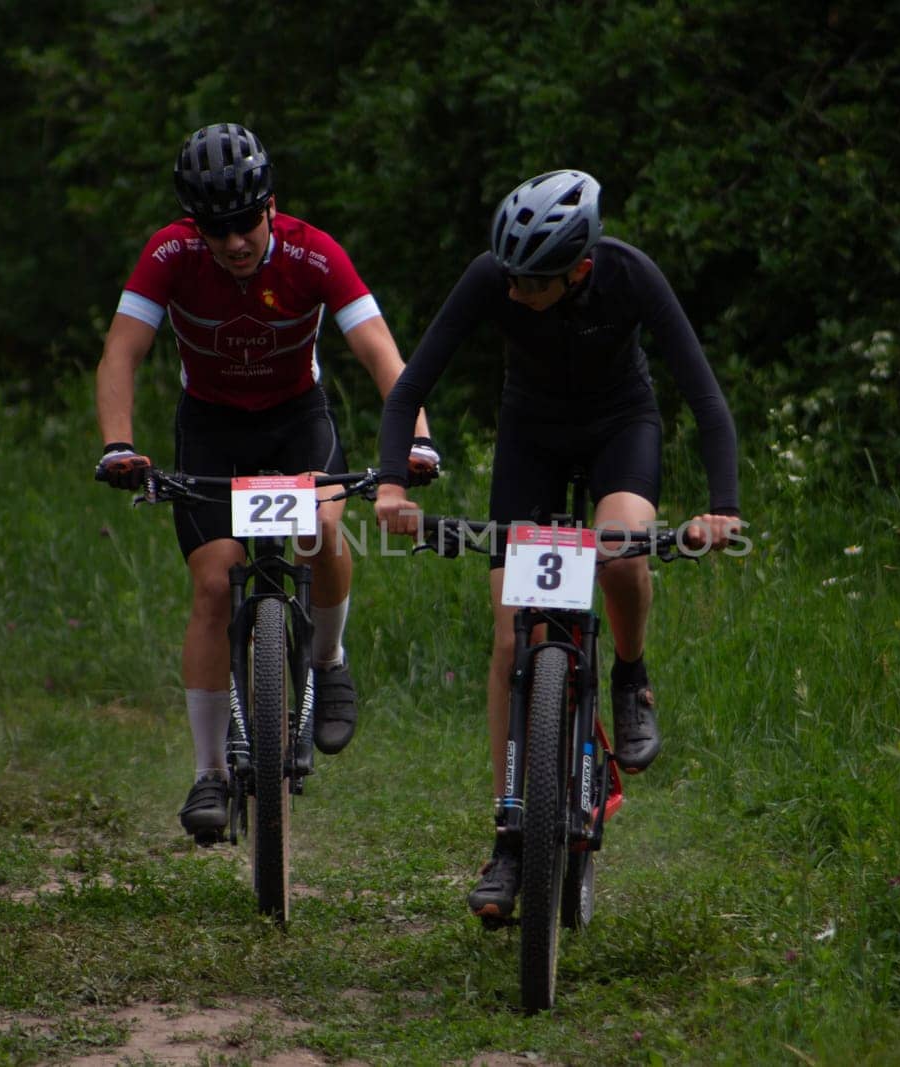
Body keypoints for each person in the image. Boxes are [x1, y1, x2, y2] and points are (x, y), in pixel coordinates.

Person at [373, 170, 742, 920]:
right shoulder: (495, 277)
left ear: (578, 269)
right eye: (507, 278)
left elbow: (704, 396)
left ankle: (631, 677)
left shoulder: (632, 276)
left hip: (619, 428)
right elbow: (411, 386)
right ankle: (510, 835)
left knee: (623, 548)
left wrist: (722, 508)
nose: (513, 294)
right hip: (531, 436)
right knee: (514, 634)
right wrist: (390, 486)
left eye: (532, 283)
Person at [95, 122, 437, 841]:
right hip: (212, 430)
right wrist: (119, 444)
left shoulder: (315, 253)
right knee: (216, 583)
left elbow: (382, 354)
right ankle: (210, 772)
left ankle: (330, 659)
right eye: (217, 228)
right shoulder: (171, 253)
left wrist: (418, 443)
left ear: (271, 205)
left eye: (246, 222)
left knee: (322, 522)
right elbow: (123, 351)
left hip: (294, 421)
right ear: (197, 223)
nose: (235, 242)